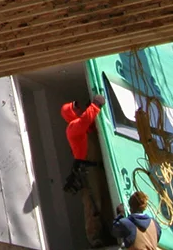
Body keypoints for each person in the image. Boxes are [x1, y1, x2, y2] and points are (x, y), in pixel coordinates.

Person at [62, 94, 109, 247]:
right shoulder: (73, 127)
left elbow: (88, 123)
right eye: (74, 107)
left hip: (96, 167)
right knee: (93, 204)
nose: (78, 108)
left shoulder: (86, 128)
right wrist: (95, 106)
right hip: (88, 171)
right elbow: (84, 121)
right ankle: (95, 238)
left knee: (103, 199)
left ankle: (107, 232)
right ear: (69, 113)